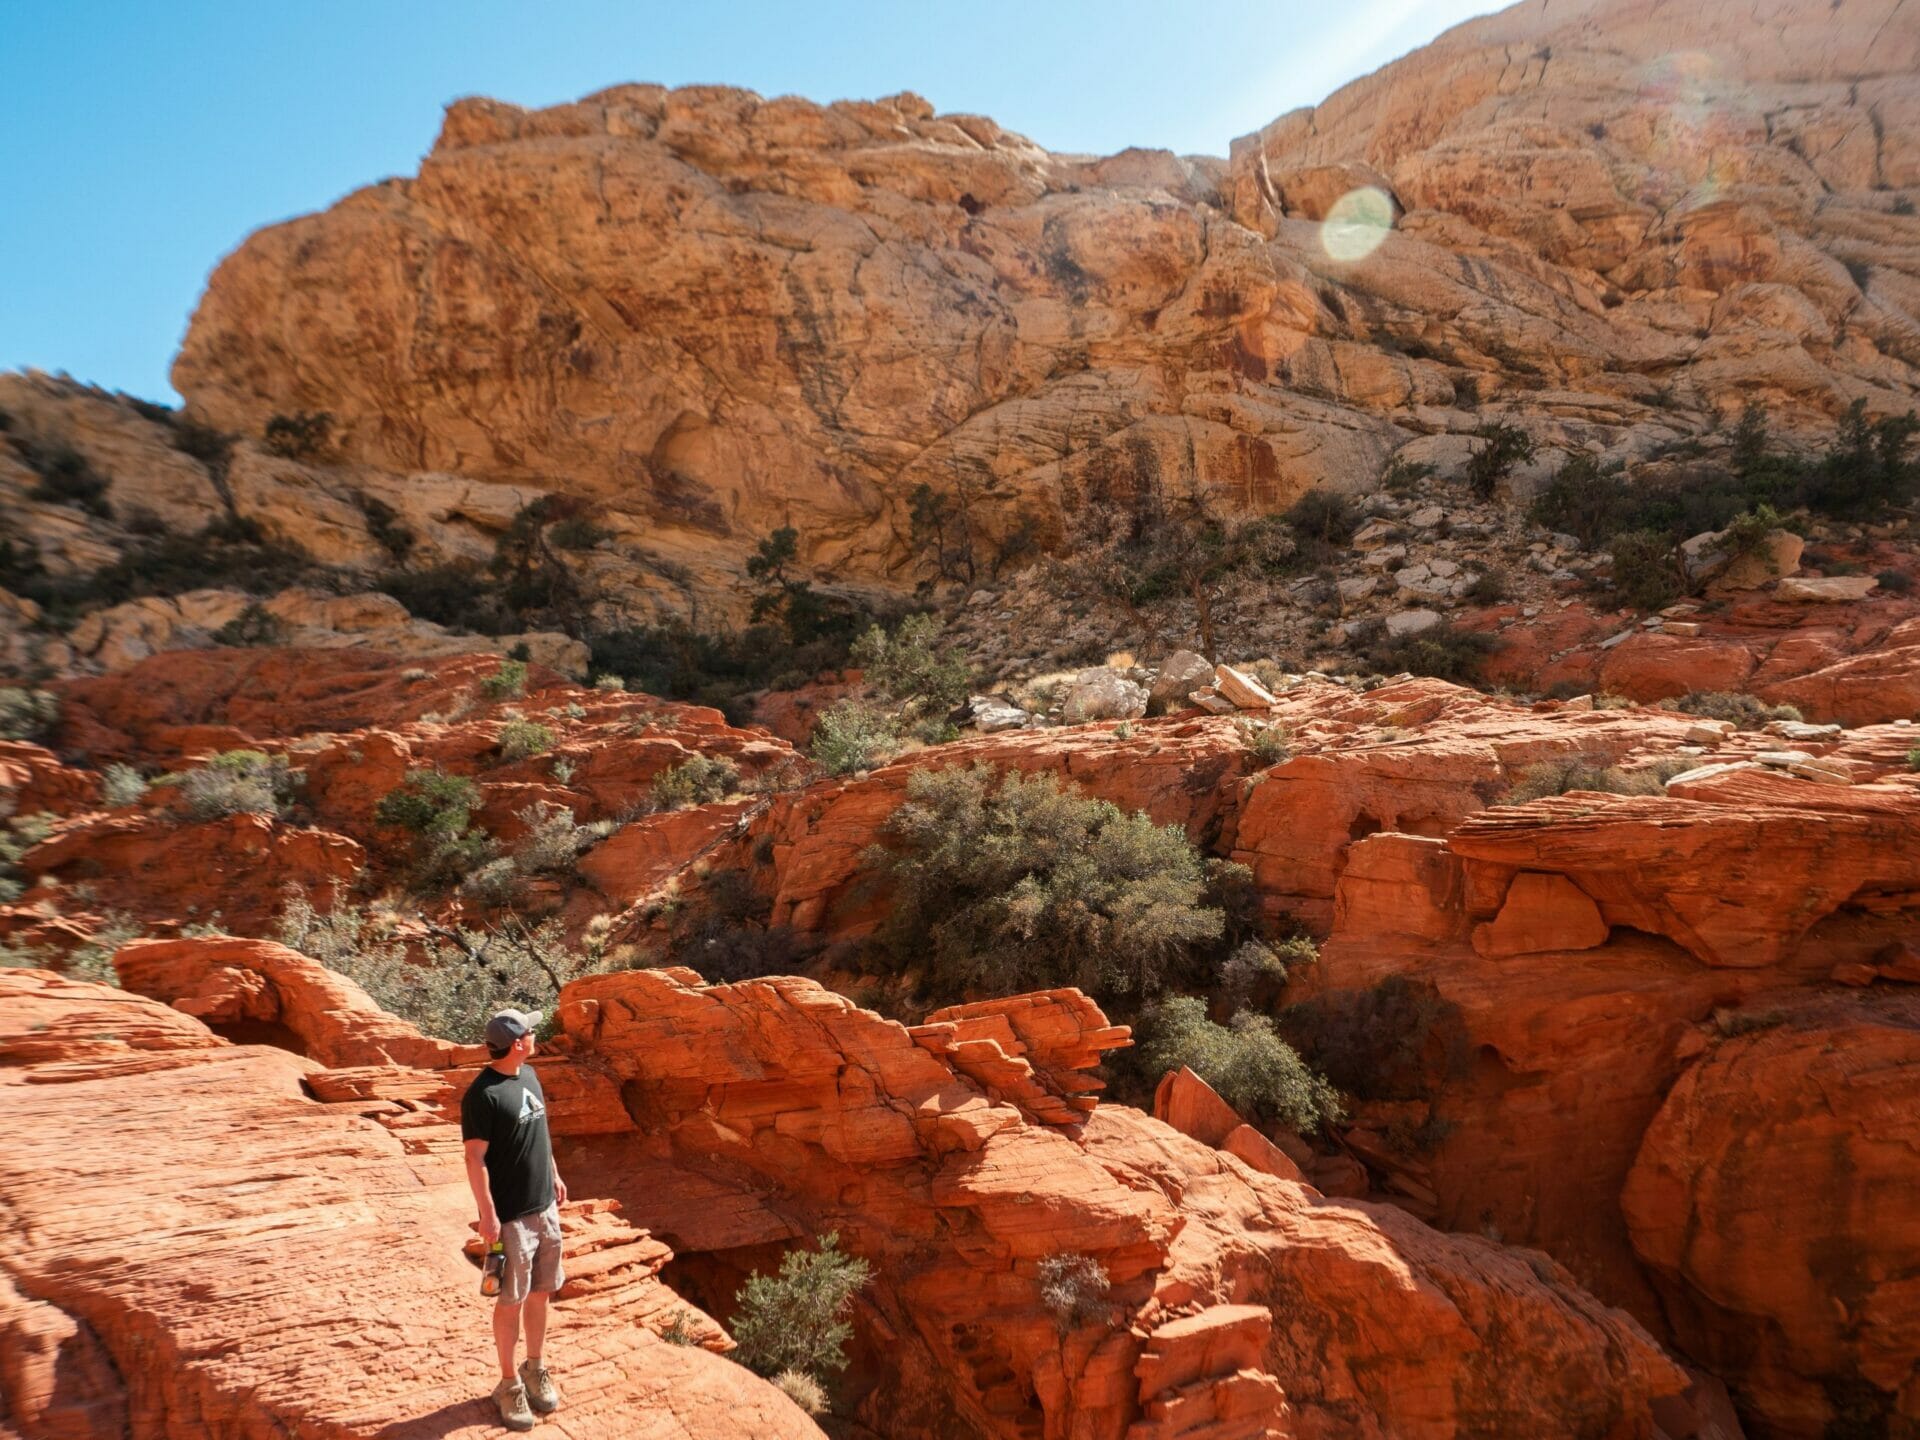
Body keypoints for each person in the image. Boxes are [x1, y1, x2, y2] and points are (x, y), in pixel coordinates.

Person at [462, 1008, 568, 1431]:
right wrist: (487, 1214)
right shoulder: (483, 1095)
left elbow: (538, 1132)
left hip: (544, 1208)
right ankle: (507, 1384)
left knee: (541, 1292)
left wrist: (555, 1173)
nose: (535, 1033)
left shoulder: (529, 1075)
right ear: (517, 1042)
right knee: (511, 1301)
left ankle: (534, 1367)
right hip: (511, 1220)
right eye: (529, 1030)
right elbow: (475, 1158)